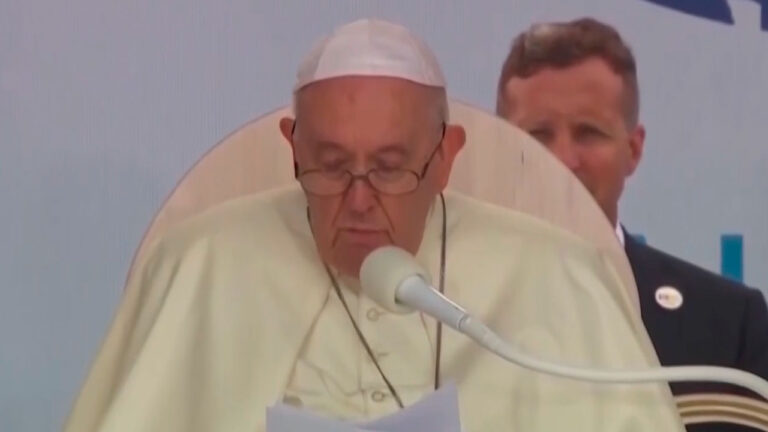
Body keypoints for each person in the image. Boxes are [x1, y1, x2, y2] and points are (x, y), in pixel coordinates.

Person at [64, 18, 685, 431]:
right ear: (294, 148)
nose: (359, 201)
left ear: (445, 157)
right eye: (331, 168)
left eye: (390, 170)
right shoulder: (198, 263)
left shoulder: (558, 275)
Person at [496, 16, 768, 430]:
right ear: (500, 146)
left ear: (634, 150)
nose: (563, 161)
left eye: (588, 133)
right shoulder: (440, 313)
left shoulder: (729, 325)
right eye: (538, 135)